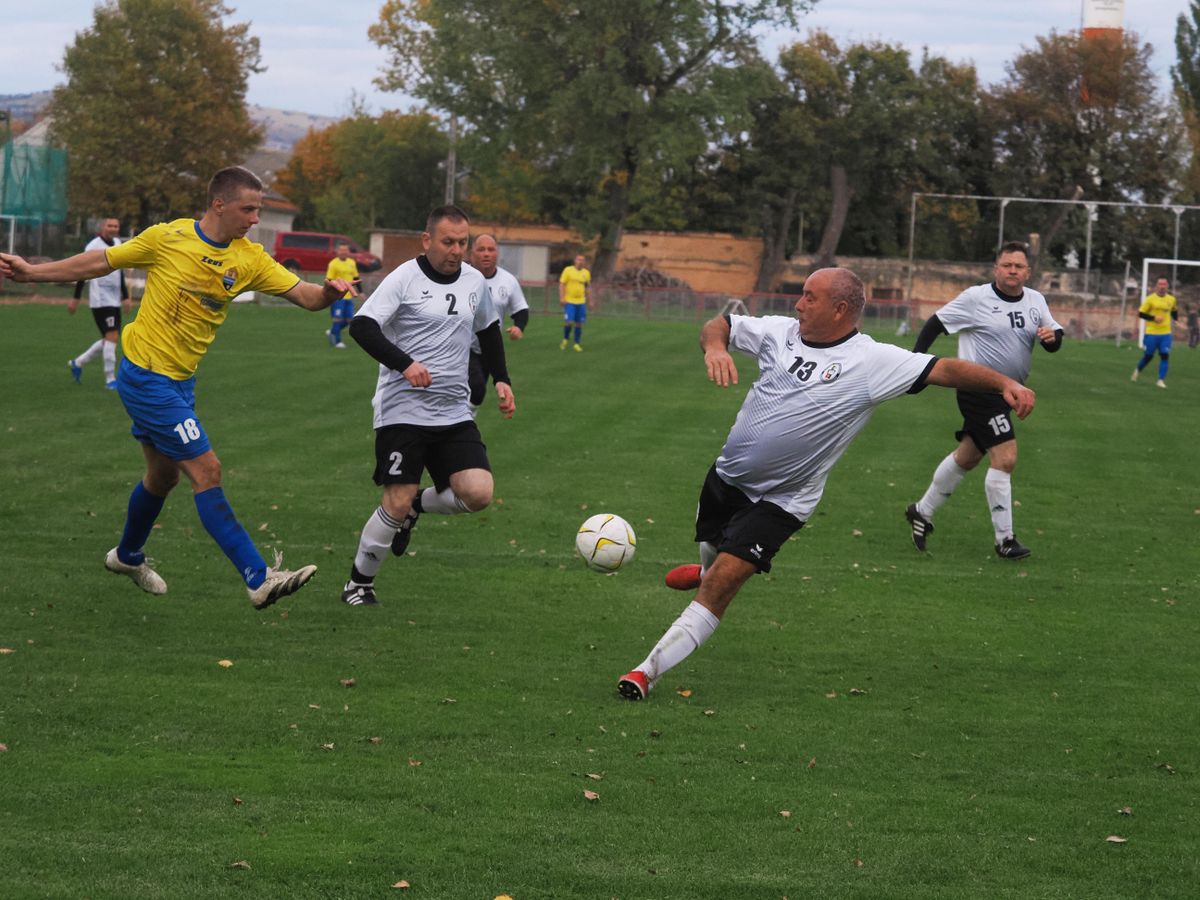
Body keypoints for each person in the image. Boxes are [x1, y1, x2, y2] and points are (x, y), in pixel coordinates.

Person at [616, 267, 1036, 700]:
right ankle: (704, 569)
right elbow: (719, 324)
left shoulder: (872, 361)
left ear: (840, 309)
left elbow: (944, 368)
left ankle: (646, 671)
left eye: (809, 297)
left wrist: (1005, 382)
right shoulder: (779, 332)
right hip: (728, 478)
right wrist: (715, 349)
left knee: (724, 581)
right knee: (713, 553)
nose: (798, 304)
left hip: (785, 500)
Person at [0, 166, 358, 608]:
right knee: (207, 470)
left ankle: (127, 556)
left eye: (259, 210)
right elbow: (101, 261)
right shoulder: (167, 238)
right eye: (248, 209)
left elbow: (306, 297)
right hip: (146, 375)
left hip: (180, 381)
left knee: (162, 476)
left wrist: (330, 291)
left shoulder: (249, 258)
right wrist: (33, 272)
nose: (254, 219)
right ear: (218, 204)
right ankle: (258, 576)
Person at [340, 206, 516, 607]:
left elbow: (488, 329)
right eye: (448, 241)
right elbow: (362, 326)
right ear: (427, 240)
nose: (456, 250)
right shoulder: (403, 278)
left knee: (478, 493)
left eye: (462, 242)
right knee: (395, 499)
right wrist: (405, 364)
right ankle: (358, 584)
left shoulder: (474, 281)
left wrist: (502, 379)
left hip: (453, 411)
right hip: (402, 410)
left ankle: (419, 504)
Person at [904, 241, 1063, 561]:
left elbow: (1053, 338)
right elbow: (936, 323)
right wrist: (916, 364)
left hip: (1007, 394)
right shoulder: (977, 297)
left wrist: (1052, 338)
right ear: (996, 268)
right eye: (1007, 265)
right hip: (978, 391)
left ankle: (921, 511)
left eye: (1018, 266)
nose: (1013, 271)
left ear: (1027, 271)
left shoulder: (1035, 301)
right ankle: (1005, 539)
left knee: (968, 457)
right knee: (1005, 458)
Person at [468, 233, 529, 411]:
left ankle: (461, 426)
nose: (486, 254)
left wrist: (519, 326)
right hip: (462, 345)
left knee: (477, 394)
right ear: (472, 253)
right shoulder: (461, 276)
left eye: (490, 249)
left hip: (489, 348)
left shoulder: (508, 281)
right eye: (481, 249)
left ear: (497, 253)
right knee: (476, 387)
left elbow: (521, 309)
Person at [67, 216, 130, 389]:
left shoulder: (118, 243)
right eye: (110, 225)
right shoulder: (93, 246)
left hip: (114, 299)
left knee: (109, 339)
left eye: (116, 226)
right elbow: (83, 271)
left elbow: (120, 272)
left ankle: (77, 363)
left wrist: (125, 296)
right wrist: (76, 298)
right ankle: (110, 379)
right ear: (103, 227)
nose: (113, 228)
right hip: (100, 300)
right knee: (112, 337)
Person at [1131, 277, 1179, 387]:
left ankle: (1160, 380)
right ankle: (1137, 370)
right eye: (1160, 284)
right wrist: (1153, 318)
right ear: (1156, 286)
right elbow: (1140, 313)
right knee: (1149, 356)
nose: (1162, 287)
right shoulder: (1150, 299)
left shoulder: (1171, 299)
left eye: (1164, 284)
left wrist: (1175, 320)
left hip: (1166, 333)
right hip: (1152, 333)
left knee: (1165, 355)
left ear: (1167, 286)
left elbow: (1174, 310)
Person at [325, 241, 361, 349]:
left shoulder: (352, 262)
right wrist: (329, 295)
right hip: (338, 297)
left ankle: (332, 331)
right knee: (338, 319)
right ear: (337, 251)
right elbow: (329, 280)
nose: (344, 252)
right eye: (341, 250)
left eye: (346, 250)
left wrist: (361, 291)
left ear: (348, 252)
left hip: (349, 296)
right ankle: (337, 342)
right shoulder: (333, 264)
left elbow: (355, 277)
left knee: (350, 320)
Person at [559, 253, 590, 352]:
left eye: (582, 260)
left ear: (584, 262)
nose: (580, 262)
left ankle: (576, 343)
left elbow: (588, 287)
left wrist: (591, 300)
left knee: (579, 323)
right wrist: (562, 298)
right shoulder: (568, 270)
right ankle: (565, 339)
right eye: (578, 259)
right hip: (570, 301)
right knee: (569, 322)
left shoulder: (586, 273)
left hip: (581, 301)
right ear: (575, 261)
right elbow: (562, 284)